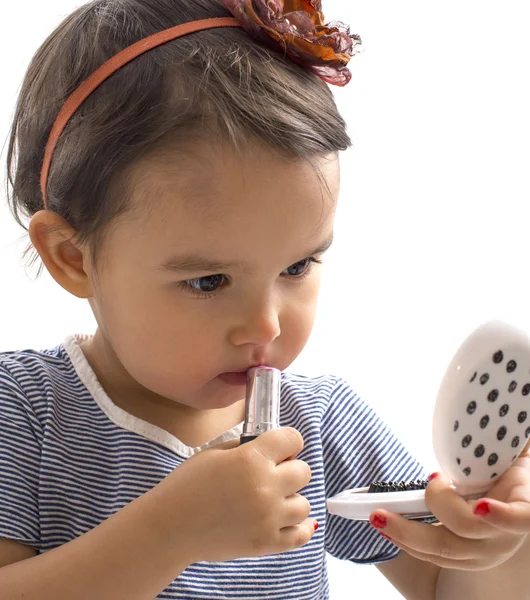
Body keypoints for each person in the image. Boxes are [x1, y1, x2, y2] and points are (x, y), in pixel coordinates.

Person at [1, 1, 530, 598]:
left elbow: (444, 584)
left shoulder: (319, 422)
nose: (266, 324)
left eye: (298, 265)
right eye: (207, 281)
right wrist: (166, 534)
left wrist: (504, 543)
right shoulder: (24, 414)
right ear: (73, 257)